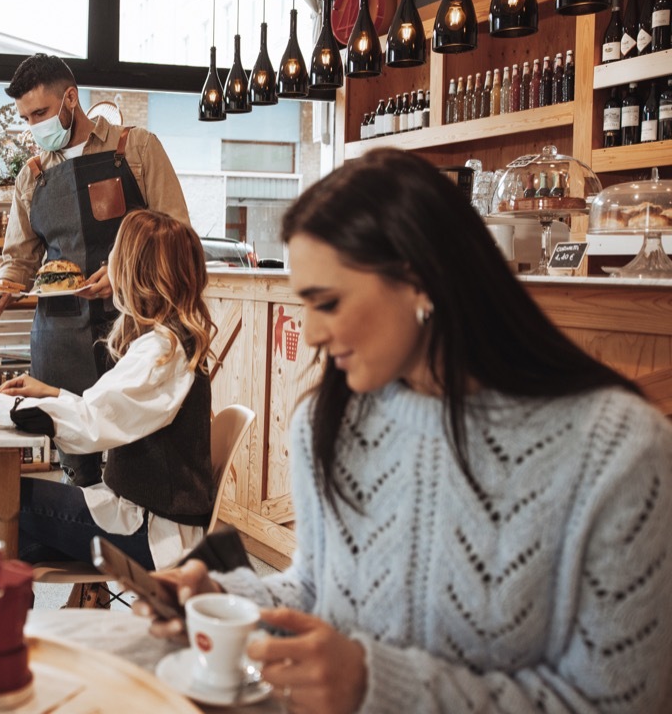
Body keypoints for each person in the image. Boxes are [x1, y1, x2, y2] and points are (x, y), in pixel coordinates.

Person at [140, 148, 672, 714]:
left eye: (329, 302)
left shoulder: (621, 452)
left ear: (420, 281)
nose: (312, 333)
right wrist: (222, 598)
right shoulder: (328, 422)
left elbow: (618, 702)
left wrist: (377, 687)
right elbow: (323, 591)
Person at [0, 208, 216, 634]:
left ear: (137, 273)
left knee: (5, 504)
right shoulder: (167, 341)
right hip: (145, 516)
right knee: (6, 532)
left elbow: (91, 426)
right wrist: (51, 393)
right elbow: (109, 411)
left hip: (152, 533)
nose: (109, 271)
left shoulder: (161, 351)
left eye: (116, 260)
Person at [0, 53, 191, 487]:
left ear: (70, 99)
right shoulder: (32, 175)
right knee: (76, 461)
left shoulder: (135, 149)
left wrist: (122, 272)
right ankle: (82, 538)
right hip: (60, 336)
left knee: (136, 457)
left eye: (40, 112)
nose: (34, 126)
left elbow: (177, 234)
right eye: (26, 118)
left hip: (135, 328)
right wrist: (1, 290)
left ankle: (132, 544)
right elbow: (19, 259)